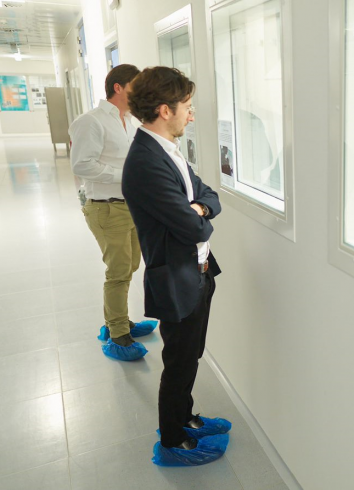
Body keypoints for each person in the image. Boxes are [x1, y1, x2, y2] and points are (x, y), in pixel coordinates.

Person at [123, 66, 230, 466]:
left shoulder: (165, 148)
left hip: (197, 274)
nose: (192, 113)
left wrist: (200, 207)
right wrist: (200, 215)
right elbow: (193, 228)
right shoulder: (146, 162)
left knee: (191, 355)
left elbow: (208, 197)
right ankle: (171, 441)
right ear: (165, 110)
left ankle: (184, 419)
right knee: (179, 362)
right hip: (176, 279)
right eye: (187, 106)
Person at [69, 64, 156, 362]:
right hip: (106, 208)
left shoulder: (128, 122)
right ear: (118, 87)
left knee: (130, 266)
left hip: (130, 206)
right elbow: (81, 164)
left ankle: (119, 319)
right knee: (118, 271)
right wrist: (127, 174)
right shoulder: (90, 121)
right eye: (136, 86)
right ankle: (118, 333)